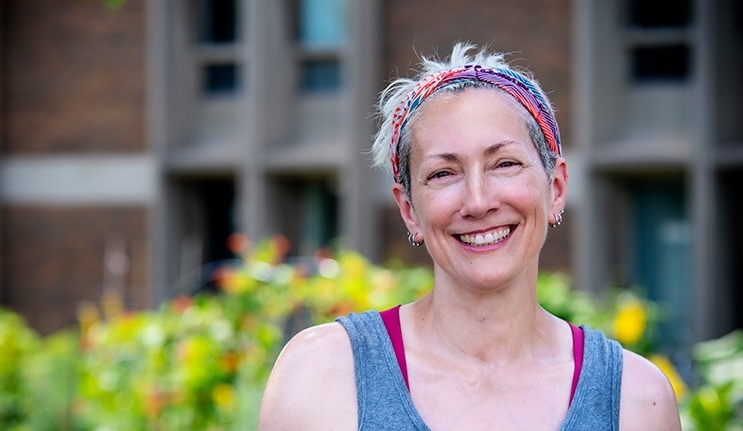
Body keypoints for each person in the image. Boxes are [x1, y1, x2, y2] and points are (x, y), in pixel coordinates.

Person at [258, 43, 681, 430]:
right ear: (409, 210)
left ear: (555, 188)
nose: (478, 201)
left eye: (505, 164)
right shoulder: (323, 377)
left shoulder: (635, 400)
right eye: (443, 173)